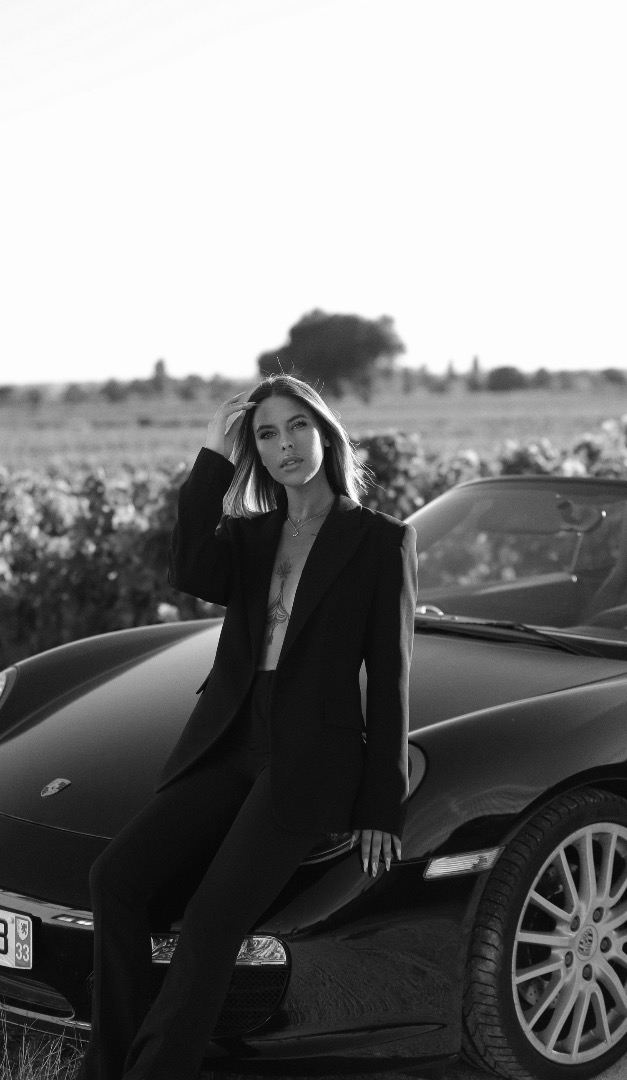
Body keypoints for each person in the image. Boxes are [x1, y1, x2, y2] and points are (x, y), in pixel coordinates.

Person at [77, 373, 418, 1080]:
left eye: (297, 426)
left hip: (309, 757)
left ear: (324, 433)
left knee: (211, 920)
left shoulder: (381, 541)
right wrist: (213, 454)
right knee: (116, 879)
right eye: (266, 434)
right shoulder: (249, 535)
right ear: (253, 451)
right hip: (229, 737)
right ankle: (108, 1064)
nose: (284, 444)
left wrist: (380, 805)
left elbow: (390, 676)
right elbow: (188, 568)